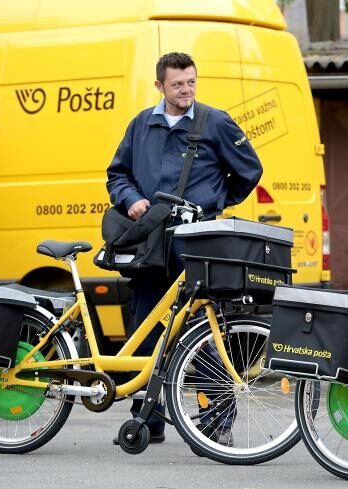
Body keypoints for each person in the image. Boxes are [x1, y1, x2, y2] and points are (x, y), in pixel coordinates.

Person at [106, 52, 262, 445]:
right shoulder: (141, 124)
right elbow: (117, 175)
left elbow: (250, 171)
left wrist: (213, 203)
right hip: (149, 244)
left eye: (191, 81)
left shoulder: (216, 122)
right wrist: (131, 200)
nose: (186, 90)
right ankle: (147, 421)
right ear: (159, 86)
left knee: (200, 333)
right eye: (177, 84)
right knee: (145, 330)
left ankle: (217, 422)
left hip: (195, 244)